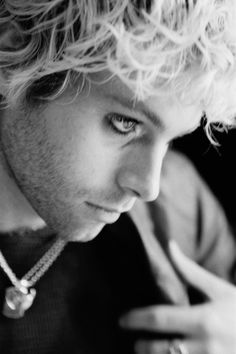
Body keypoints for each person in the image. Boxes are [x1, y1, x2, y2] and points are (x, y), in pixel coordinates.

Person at [0, 1, 236, 353]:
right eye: (125, 123)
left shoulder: (184, 205)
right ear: (12, 52)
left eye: (173, 139)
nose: (148, 186)